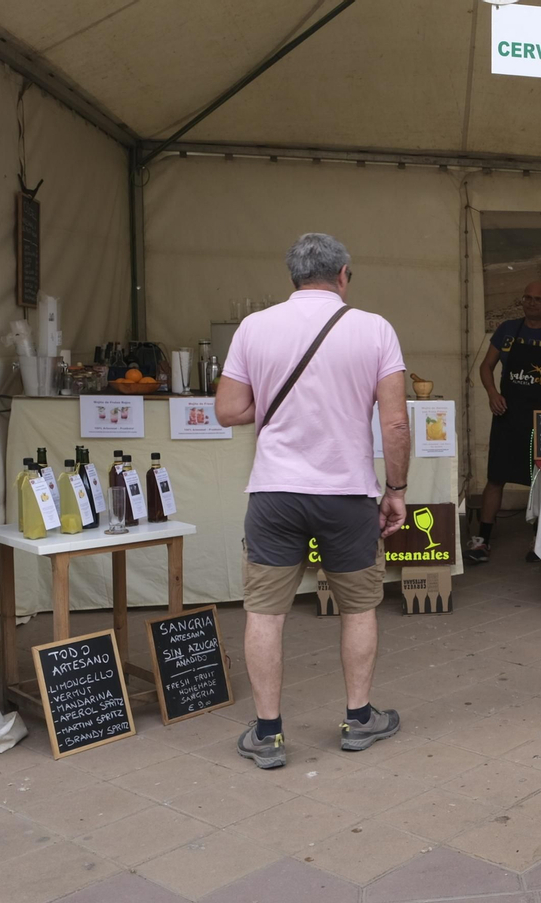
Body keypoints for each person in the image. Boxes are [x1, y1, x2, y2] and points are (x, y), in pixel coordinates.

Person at [215, 233, 410, 769]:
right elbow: (394, 421)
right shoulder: (375, 329)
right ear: (343, 273)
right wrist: (395, 491)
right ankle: (359, 718)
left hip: (274, 491)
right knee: (359, 606)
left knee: (265, 612)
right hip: (347, 493)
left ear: (293, 276)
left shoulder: (254, 327)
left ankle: (269, 733)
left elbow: (228, 410)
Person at [467, 281, 541, 563]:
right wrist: (493, 394)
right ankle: (482, 539)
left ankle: (538, 541)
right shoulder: (507, 330)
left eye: (538, 299)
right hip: (507, 413)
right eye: (527, 298)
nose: (531, 303)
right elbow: (485, 367)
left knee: (540, 479)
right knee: (496, 477)